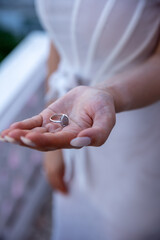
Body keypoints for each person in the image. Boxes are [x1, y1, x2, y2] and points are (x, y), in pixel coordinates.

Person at [1, 0, 160, 239]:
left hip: (133, 135)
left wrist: (107, 94)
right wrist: (53, 148)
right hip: (69, 119)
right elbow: (57, 42)